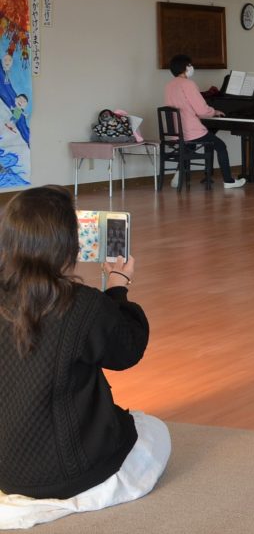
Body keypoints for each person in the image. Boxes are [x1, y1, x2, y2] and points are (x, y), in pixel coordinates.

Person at [0, 186, 169, 528]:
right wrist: (118, 287)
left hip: (6, 469)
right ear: (69, 246)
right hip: (70, 471)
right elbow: (128, 349)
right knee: (154, 431)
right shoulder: (84, 305)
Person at [163, 54, 245, 188]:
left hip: (176, 130)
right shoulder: (188, 84)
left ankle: (178, 176)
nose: (191, 67)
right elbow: (201, 110)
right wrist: (214, 112)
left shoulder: (169, 85)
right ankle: (229, 181)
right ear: (184, 67)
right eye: (189, 65)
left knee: (190, 146)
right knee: (220, 146)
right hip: (190, 130)